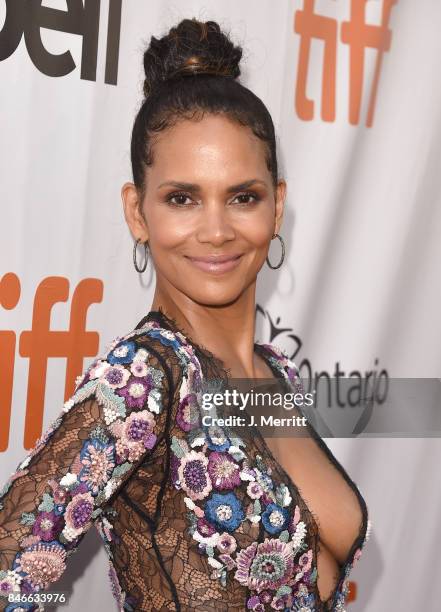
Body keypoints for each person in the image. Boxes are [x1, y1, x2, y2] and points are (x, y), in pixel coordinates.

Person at [0, 18, 370, 612]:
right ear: (137, 211)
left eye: (243, 196)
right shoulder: (144, 381)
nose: (217, 230)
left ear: (278, 207)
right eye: (182, 198)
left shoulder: (271, 373)